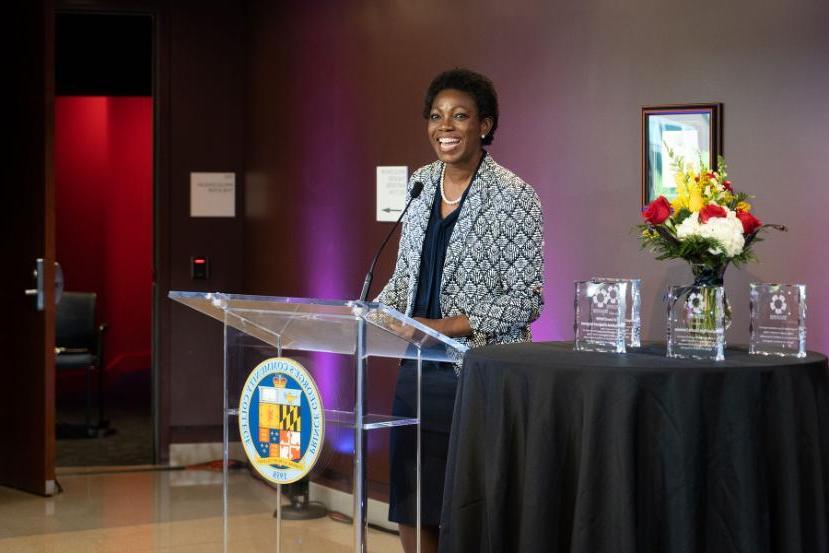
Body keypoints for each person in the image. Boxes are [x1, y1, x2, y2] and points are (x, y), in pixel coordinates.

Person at [376, 68, 545, 553]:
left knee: (466, 500)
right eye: (436, 116)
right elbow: (407, 273)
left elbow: (525, 298)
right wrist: (377, 312)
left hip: (476, 369)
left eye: (459, 116)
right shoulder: (420, 184)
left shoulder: (513, 196)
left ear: (485, 125)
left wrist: (443, 327)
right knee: (412, 495)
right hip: (417, 368)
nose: (444, 127)